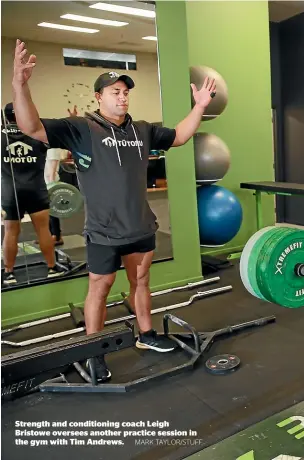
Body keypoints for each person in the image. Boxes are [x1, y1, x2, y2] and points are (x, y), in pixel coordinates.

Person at [12, 39, 216, 381]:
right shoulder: (80, 129)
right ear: (99, 97)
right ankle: (94, 350)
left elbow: (179, 136)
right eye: (114, 91)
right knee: (100, 286)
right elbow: (30, 127)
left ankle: (146, 334)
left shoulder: (143, 130)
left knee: (141, 280)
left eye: (124, 92)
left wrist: (199, 107)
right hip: (103, 230)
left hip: (140, 225)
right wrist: (20, 84)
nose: (121, 97)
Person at [1, 102, 65, 285]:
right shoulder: (37, 134)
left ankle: (8, 273)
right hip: (35, 190)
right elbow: (59, 137)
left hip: (10, 192)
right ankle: (52, 268)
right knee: (43, 230)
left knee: (10, 232)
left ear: (6, 118)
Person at [43, 148, 68, 246]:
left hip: (51, 184)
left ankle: (57, 236)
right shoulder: (47, 148)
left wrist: (51, 186)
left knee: (52, 212)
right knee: (46, 211)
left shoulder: (53, 149)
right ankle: (49, 235)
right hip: (44, 182)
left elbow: (52, 172)